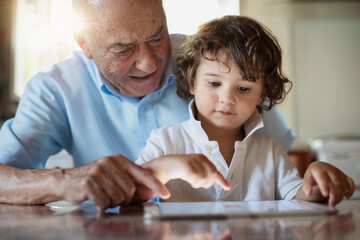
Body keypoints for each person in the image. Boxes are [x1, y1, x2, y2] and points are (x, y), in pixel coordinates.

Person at [0, 0, 294, 211]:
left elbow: (271, 159)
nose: (148, 62)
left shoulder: (213, 62)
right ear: (84, 42)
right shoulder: (55, 89)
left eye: (157, 37)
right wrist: (61, 181)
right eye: (122, 48)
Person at [136, 15, 355, 206]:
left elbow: (297, 197)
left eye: (243, 88)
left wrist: (315, 183)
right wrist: (165, 168)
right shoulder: (164, 142)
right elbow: (131, 193)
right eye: (214, 83)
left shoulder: (271, 152)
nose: (228, 98)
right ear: (192, 82)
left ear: (262, 94)